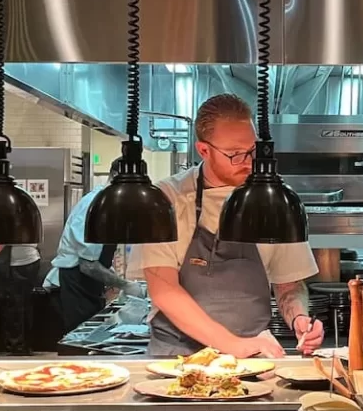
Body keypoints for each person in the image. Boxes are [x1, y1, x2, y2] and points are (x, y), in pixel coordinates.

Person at [129, 94, 324, 359]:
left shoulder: (273, 201)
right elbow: (164, 289)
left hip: (254, 358)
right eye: (234, 154)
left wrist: (299, 318)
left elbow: (289, 284)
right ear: (204, 150)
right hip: (176, 359)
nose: (248, 162)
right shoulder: (169, 198)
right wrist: (232, 345)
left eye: (253, 151)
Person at [43, 157, 131, 333]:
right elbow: (88, 265)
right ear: (114, 176)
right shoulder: (95, 205)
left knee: (92, 332)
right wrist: (125, 285)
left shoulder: (109, 204)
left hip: (89, 282)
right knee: (79, 338)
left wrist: (111, 276)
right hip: (77, 282)